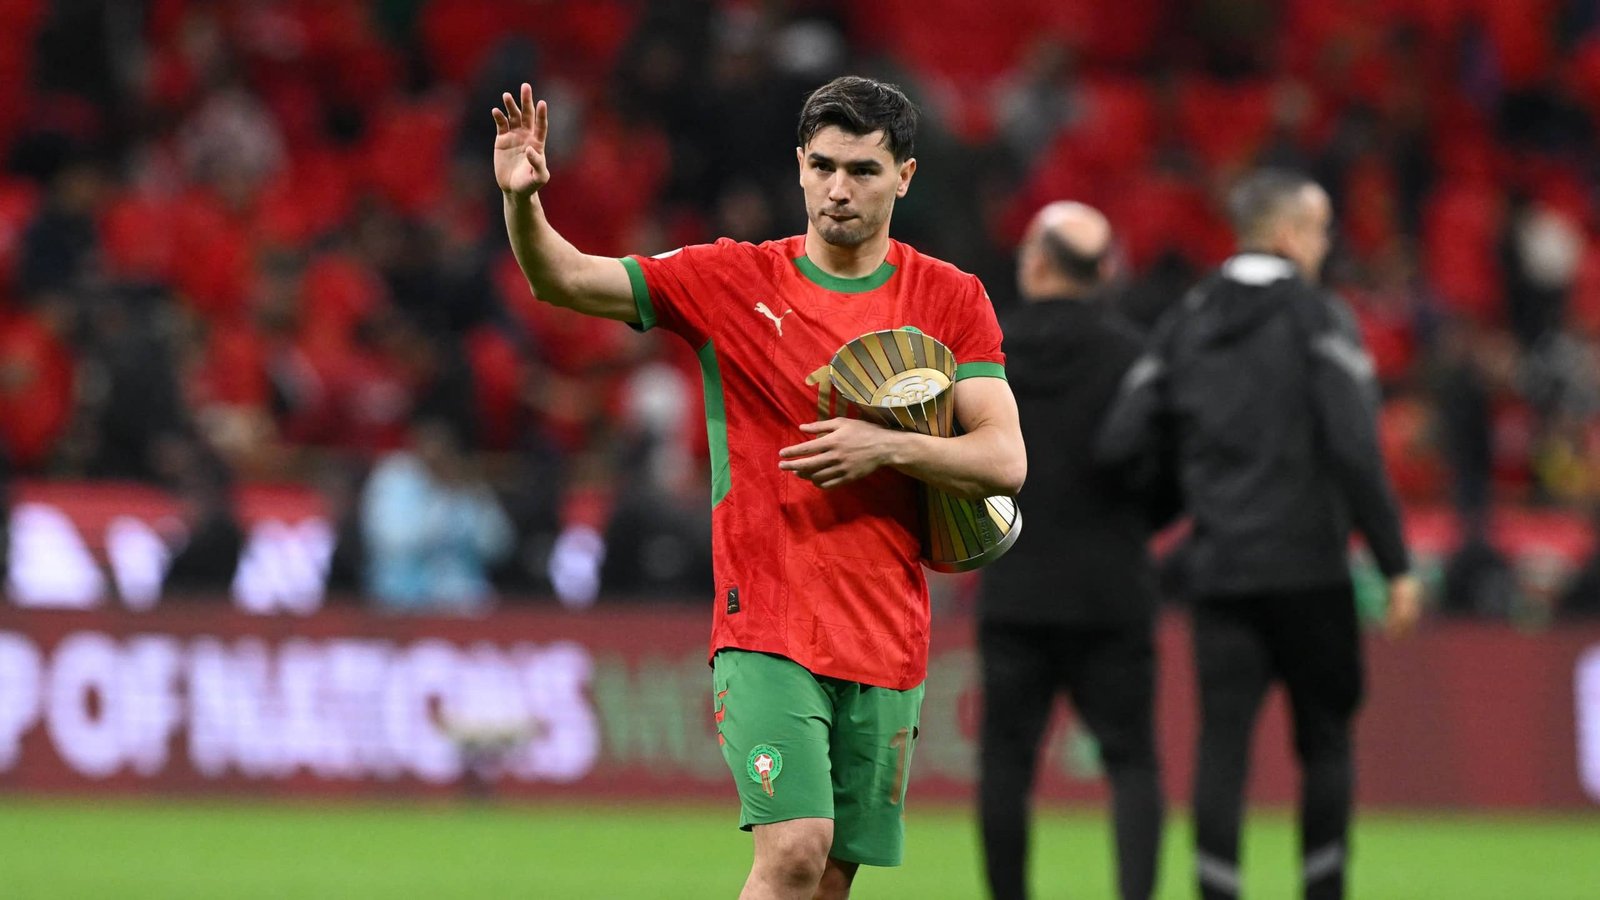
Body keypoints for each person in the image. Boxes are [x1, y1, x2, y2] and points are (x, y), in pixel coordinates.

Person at [491, 76, 1025, 899]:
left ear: (905, 176)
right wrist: (523, 205)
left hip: (887, 632)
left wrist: (884, 448)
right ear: (799, 168)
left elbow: (1004, 460)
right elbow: (563, 279)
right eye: (823, 167)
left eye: (863, 170)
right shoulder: (730, 281)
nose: (839, 189)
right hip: (768, 620)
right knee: (794, 852)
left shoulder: (951, 299)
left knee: (831, 877)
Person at [1098, 169, 1422, 900]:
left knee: (1223, 748)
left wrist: (1178, 494)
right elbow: (1354, 445)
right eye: (1320, 227)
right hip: (1312, 573)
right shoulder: (1320, 317)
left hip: (1221, 572)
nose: (1327, 242)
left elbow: (1121, 440)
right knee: (1327, 745)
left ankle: (1217, 892)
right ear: (1287, 234)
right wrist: (1395, 563)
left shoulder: (1187, 319)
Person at [977, 202, 1166, 900]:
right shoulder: (1137, 356)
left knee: (1006, 763)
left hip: (1015, 585)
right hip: (1112, 587)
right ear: (1106, 270)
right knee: (1133, 762)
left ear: (1037, 262)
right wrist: (1134, 526)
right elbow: (1167, 470)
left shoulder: (989, 350)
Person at [360, 417, 514, 614]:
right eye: (430, 445)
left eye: (444, 448)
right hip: (400, 599)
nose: (436, 454)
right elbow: (394, 542)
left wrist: (476, 499)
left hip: (464, 600)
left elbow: (498, 548)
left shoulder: (466, 483)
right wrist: (441, 500)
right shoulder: (393, 479)